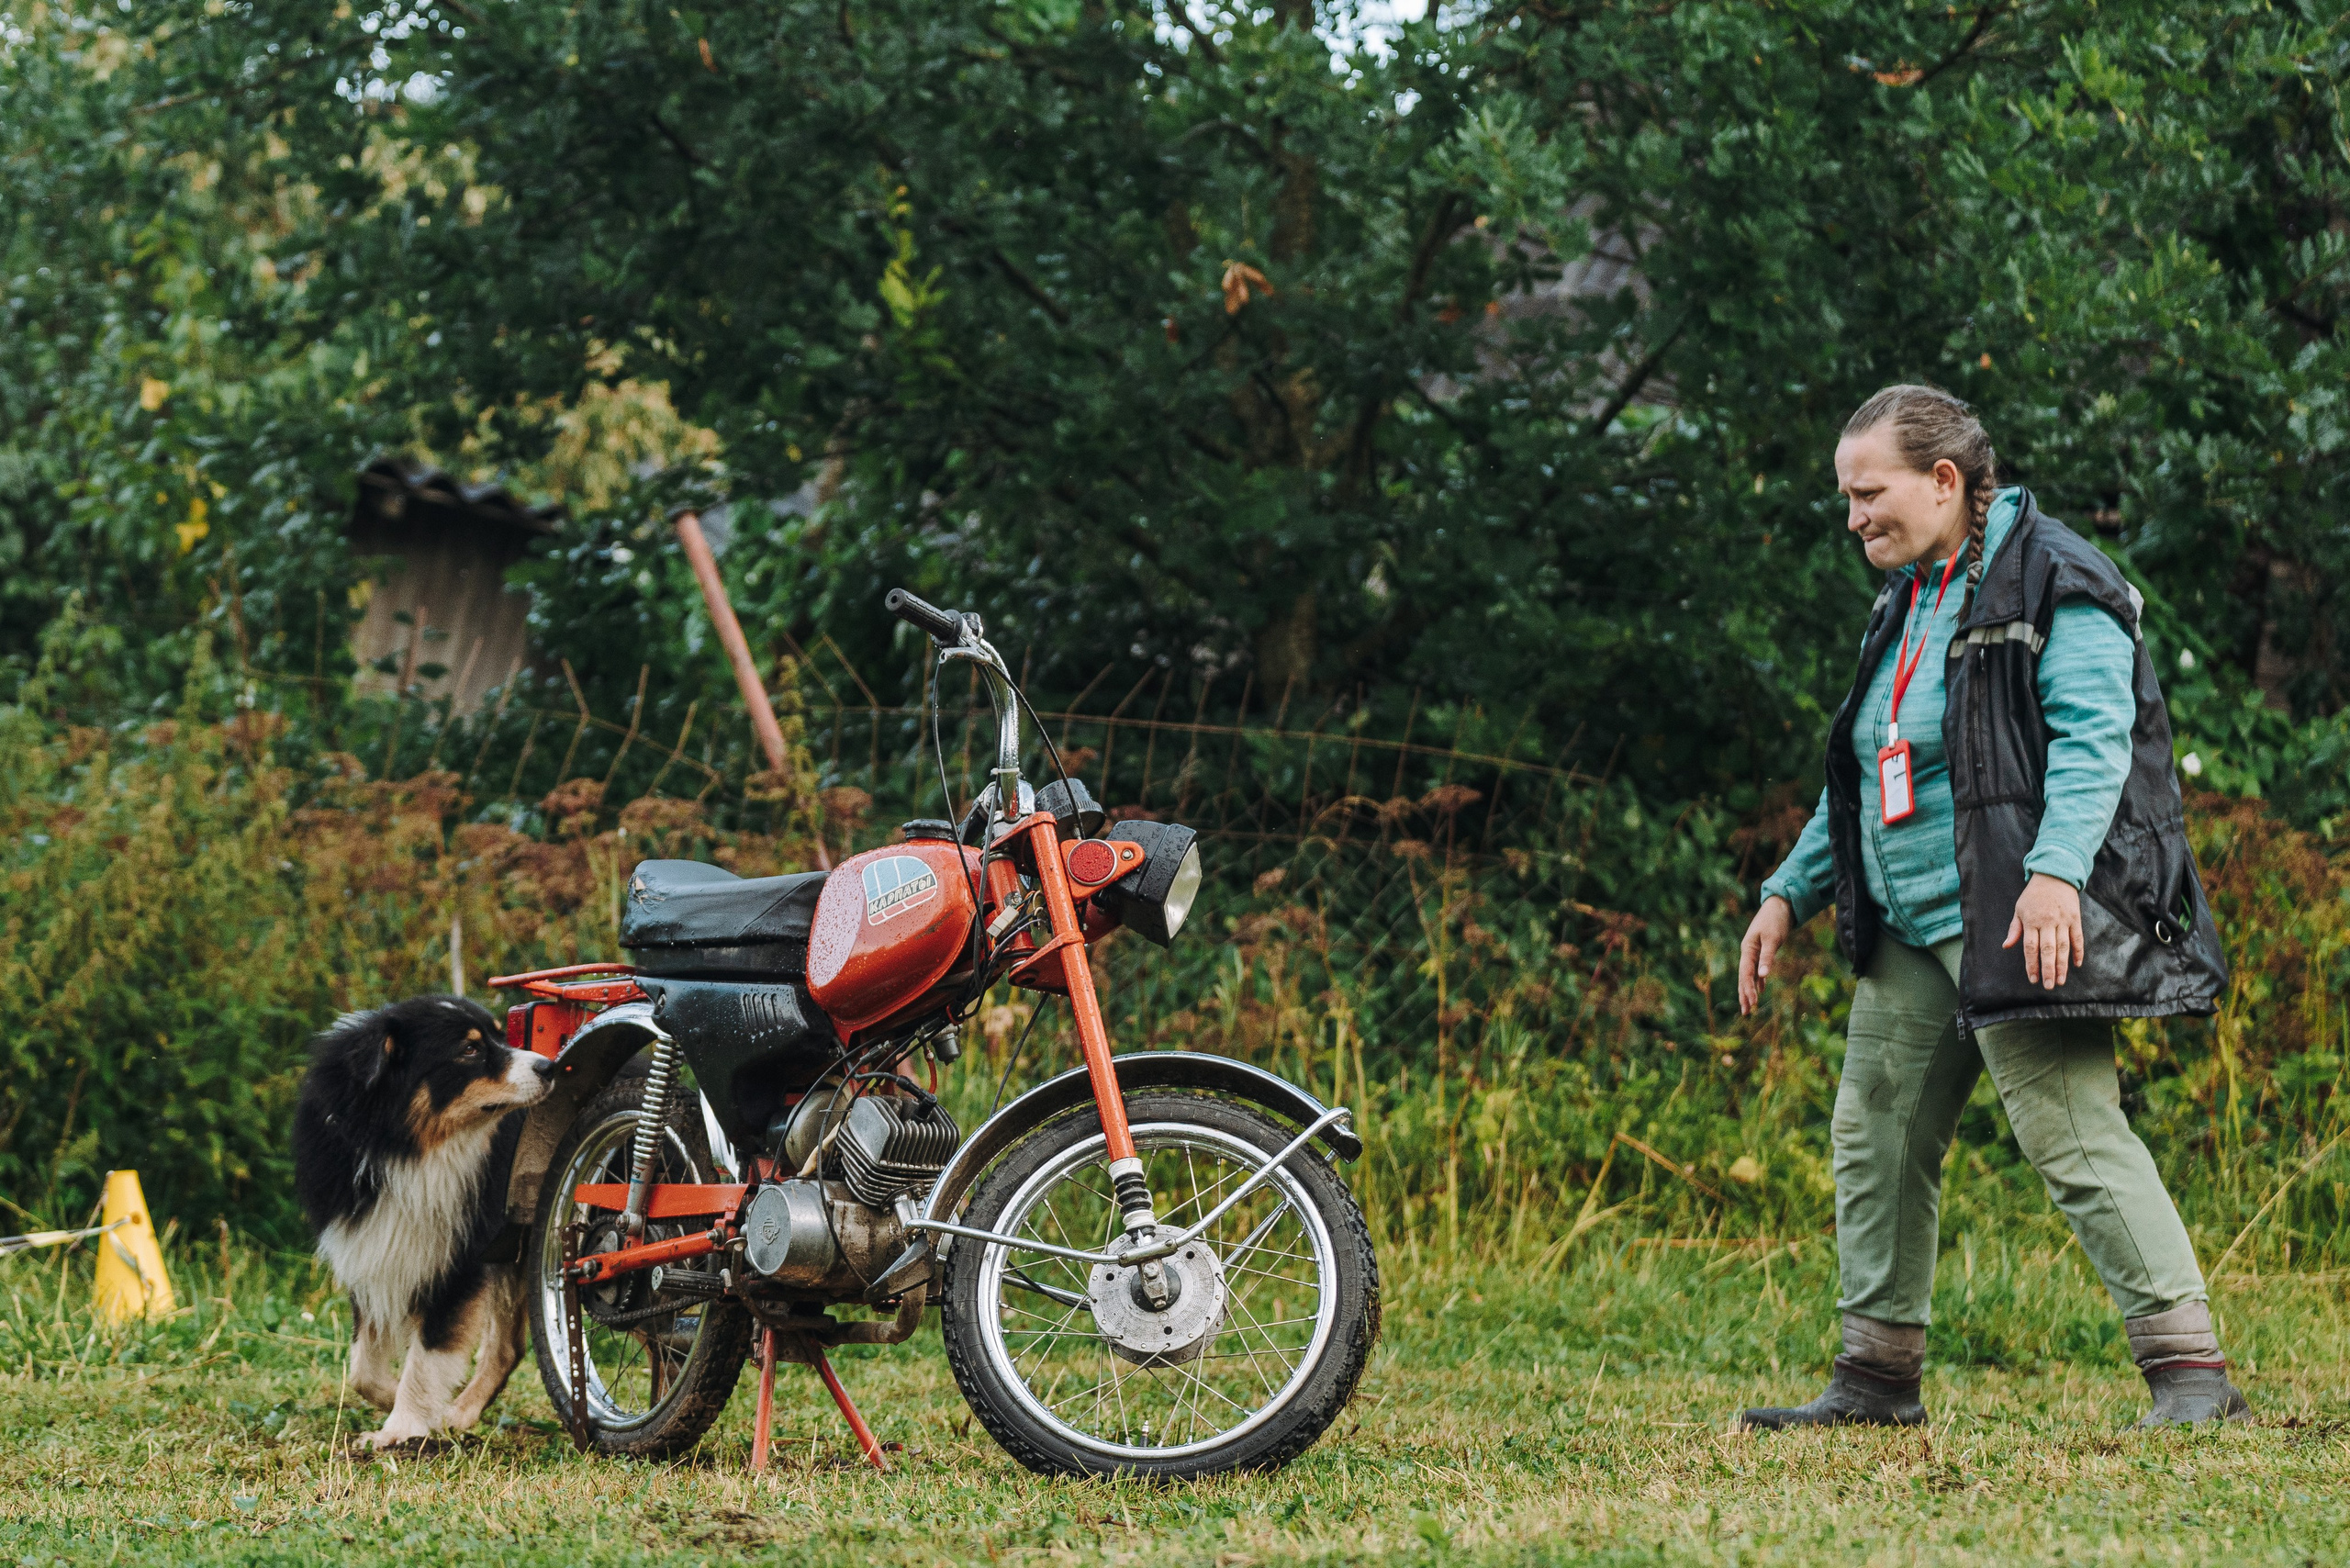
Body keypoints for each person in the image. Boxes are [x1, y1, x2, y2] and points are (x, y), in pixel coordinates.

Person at [1735, 385, 2242, 1430]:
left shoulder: (2056, 577)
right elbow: (1878, 768)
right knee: (1874, 1129)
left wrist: (2052, 876)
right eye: (1845, 496)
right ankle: (1874, 1381)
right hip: (1913, 918)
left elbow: (2098, 743)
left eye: (1867, 492)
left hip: (2018, 910)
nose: (1853, 516)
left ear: (1944, 481)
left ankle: (2191, 1377)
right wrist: (1789, 889)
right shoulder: (1913, 594)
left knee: (2069, 1131)